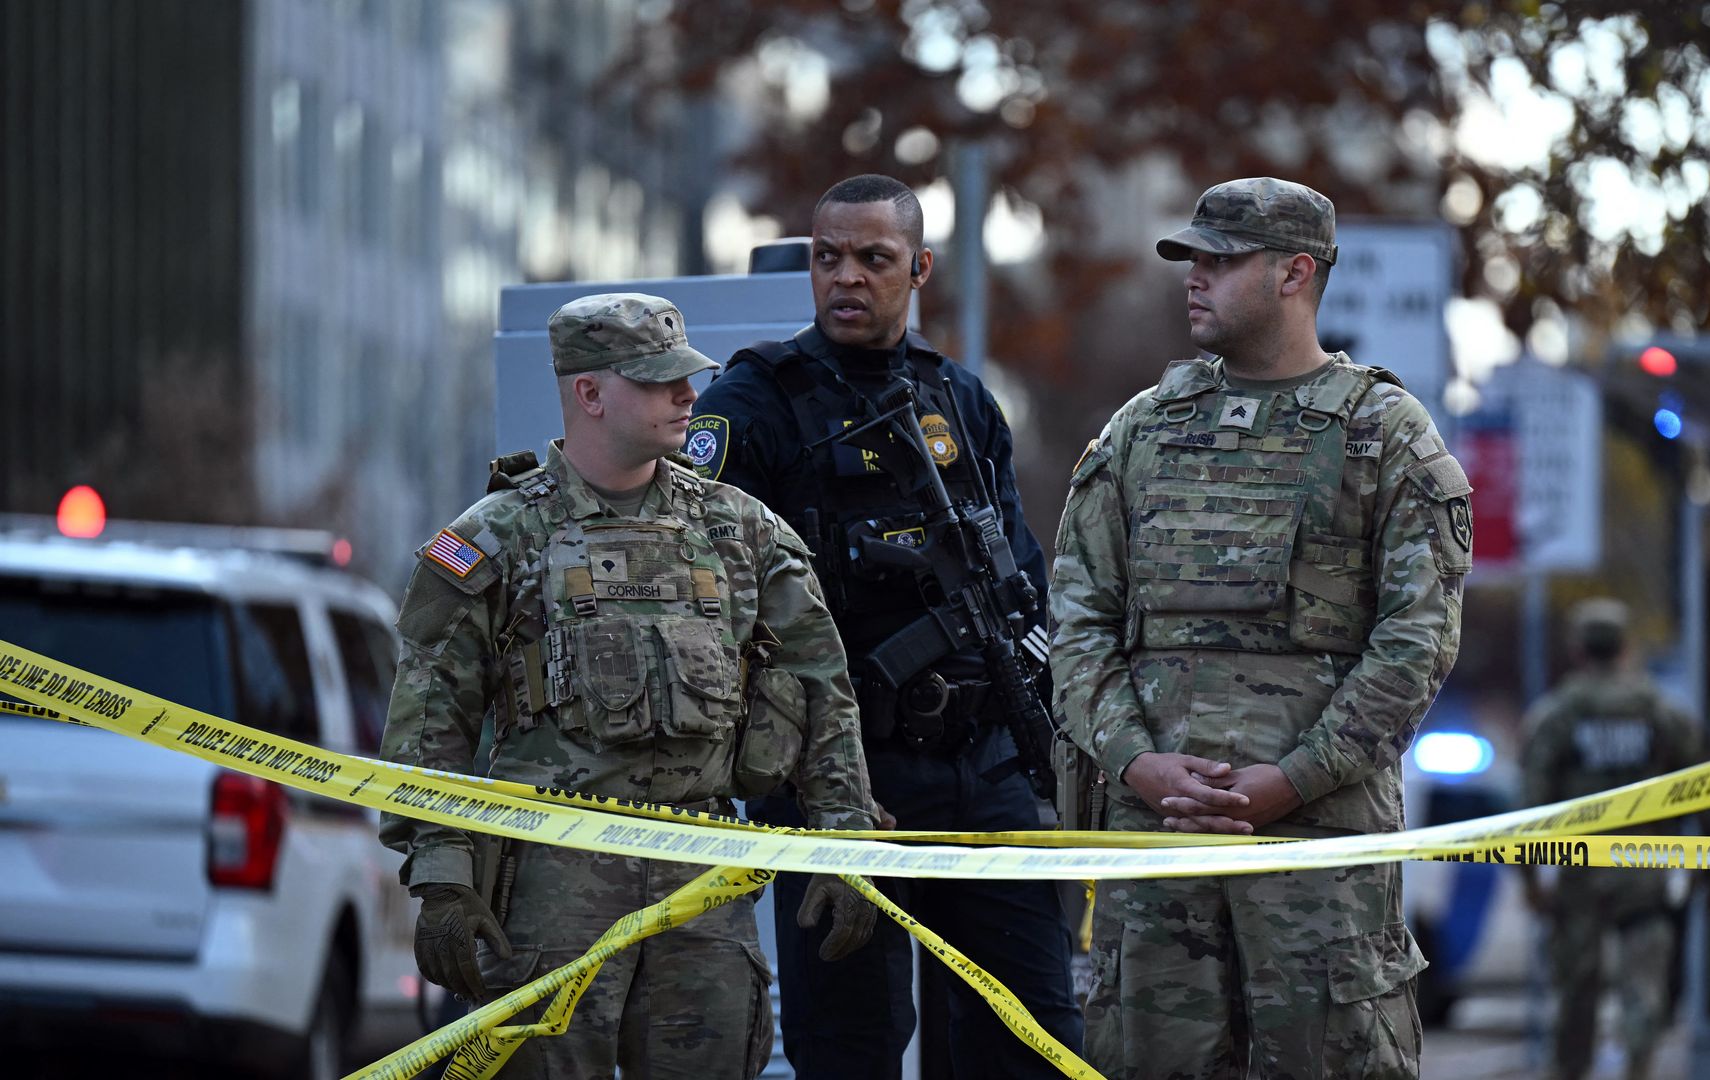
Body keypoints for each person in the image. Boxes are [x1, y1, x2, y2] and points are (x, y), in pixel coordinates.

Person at [378, 292, 879, 1079]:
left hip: (703, 873)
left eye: (686, 378)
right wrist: (439, 871)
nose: (687, 395)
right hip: (550, 884)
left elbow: (820, 684)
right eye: (657, 380)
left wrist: (845, 836)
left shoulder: (740, 529)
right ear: (589, 392)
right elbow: (430, 712)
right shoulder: (496, 537)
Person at [1050, 177, 1473, 1079]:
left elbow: (1417, 642)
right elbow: (1078, 620)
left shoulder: (1383, 434)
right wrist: (1136, 761)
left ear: (1295, 272)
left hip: (1314, 852)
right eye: (1191, 260)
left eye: (1221, 260)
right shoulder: (1140, 432)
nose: (1194, 278)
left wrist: (1292, 780)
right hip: (1157, 848)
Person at [684, 174, 1082, 1078]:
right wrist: (812, 772)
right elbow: (708, 601)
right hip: (840, 781)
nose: (847, 278)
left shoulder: (962, 402)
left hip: (980, 775)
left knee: (1032, 1035)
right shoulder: (757, 403)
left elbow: (1021, 575)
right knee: (852, 1046)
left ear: (920, 269)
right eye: (829, 258)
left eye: (874, 259)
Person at [1520, 598, 1705, 1080]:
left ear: (1579, 650)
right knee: (1643, 987)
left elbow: (1529, 808)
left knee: (1576, 992)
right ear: (1625, 647)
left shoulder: (1556, 715)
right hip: (1645, 875)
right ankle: (1638, 1068)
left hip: (1580, 878)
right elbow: (1705, 790)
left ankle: (1570, 1071)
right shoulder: (1661, 712)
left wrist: (1530, 883)